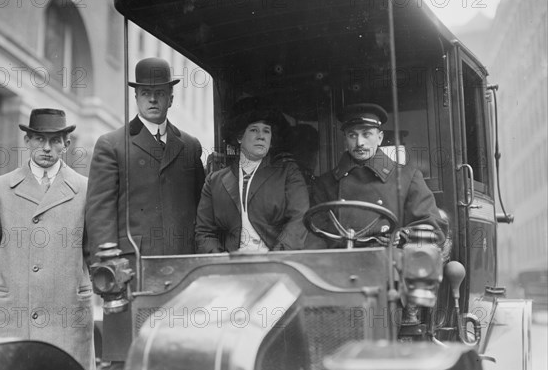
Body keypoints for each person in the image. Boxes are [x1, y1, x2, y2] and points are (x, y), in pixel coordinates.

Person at [0, 109, 95, 370]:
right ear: (27, 141)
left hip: (66, 312)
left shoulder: (86, 189)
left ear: (67, 144)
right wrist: (14, 280)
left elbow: (91, 248)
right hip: (13, 311)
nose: (47, 148)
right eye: (39, 139)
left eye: (55, 141)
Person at [85, 57, 205, 259]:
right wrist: (108, 268)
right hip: (134, 265)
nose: (152, 99)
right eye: (145, 93)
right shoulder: (112, 145)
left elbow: (203, 209)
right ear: (136, 97)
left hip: (185, 261)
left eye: (160, 93)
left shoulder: (191, 146)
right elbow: (100, 214)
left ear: (171, 98)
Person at [308, 103, 447, 248]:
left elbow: (434, 229)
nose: (359, 143)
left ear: (380, 138)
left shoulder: (408, 177)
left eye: (366, 134)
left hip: (390, 264)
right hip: (340, 264)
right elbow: (315, 235)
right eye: (352, 135)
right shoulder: (325, 183)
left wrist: (403, 236)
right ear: (345, 140)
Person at [195, 108, 310, 253]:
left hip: (276, 265)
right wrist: (221, 261)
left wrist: (277, 258)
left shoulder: (288, 173)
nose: (261, 136)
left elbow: (299, 218)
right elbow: (204, 232)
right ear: (239, 137)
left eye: (266, 131)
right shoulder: (214, 181)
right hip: (230, 268)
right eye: (254, 130)